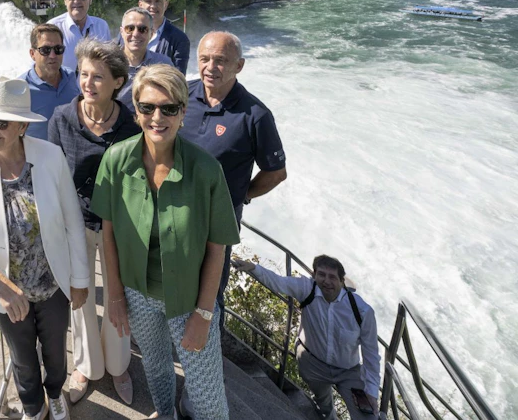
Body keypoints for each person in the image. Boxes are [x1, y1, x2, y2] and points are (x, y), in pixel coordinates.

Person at [91, 64, 240, 420]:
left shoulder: (205, 170)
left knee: (208, 398)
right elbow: (107, 233)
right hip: (137, 294)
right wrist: (114, 295)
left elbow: (217, 248)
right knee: (156, 371)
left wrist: (204, 315)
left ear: (183, 113)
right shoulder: (116, 160)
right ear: (137, 111)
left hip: (189, 300)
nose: (157, 117)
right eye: (147, 107)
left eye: (169, 108)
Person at [0, 76, 90, 420]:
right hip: (6, 289)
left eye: (1, 122)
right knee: (22, 359)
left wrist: (80, 280)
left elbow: (72, 222)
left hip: (53, 284)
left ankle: (56, 394)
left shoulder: (50, 157)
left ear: (22, 126)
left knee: (55, 354)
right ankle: (34, 409)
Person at [47, 39, 142, 406]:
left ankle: (119, 365)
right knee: (81, 297)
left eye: (98, 77)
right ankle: (86, 366)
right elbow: (54, 175)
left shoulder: (132, 124)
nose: (88, 82)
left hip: (121, 226)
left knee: (120, 296)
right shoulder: (62, 119)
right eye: (84, 74)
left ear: (118, 82)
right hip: (77, 223)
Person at [179, 31, 287, 309]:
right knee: (169, 284)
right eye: (204, 59)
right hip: (172, 212)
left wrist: (241, 196)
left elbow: (276, 172)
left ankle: (206, 348)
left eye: (220, 60)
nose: (210, 67)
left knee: (208, 299)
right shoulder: (181, 96)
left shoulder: (256, 115)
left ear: (238, 66)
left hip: (215, 227)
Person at [232, 255, 381, 419]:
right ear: (314, 275)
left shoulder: (362, 311)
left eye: (332, 277)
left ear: (342, 281)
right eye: (321, 275)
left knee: (367, 415)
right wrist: (254, 268)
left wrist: (372, 391)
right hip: (313, 364)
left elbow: (371, 354)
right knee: (325, 407)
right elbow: (278, 282)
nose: (326, 281)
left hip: (348, 370)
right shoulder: (307, 289)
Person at [19, 23, 80, 141]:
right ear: (32, 54)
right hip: (38, 158)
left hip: (71, 156)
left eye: (58, 49)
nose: (52, 55)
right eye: (45, 50)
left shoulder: (71, 76)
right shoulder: (21, 88)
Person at [115, 7, 172, 111]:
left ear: (151, 33)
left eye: (142, 29)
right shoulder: (108, 62)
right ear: (122, 32)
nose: (136, 34)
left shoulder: (163, 65)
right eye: (130, 28)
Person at [49, 0, 111, 69]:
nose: (76, 0)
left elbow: (109, 62)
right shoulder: (53, 28)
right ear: (65, 0)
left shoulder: (102, 26)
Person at [137, 0, 191, 74]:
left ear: (166, 4)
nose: (153, 6)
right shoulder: (128, 34)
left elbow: (179, 78)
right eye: (148, 1)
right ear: (140, 5)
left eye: (158, 1)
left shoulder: (179, 39)